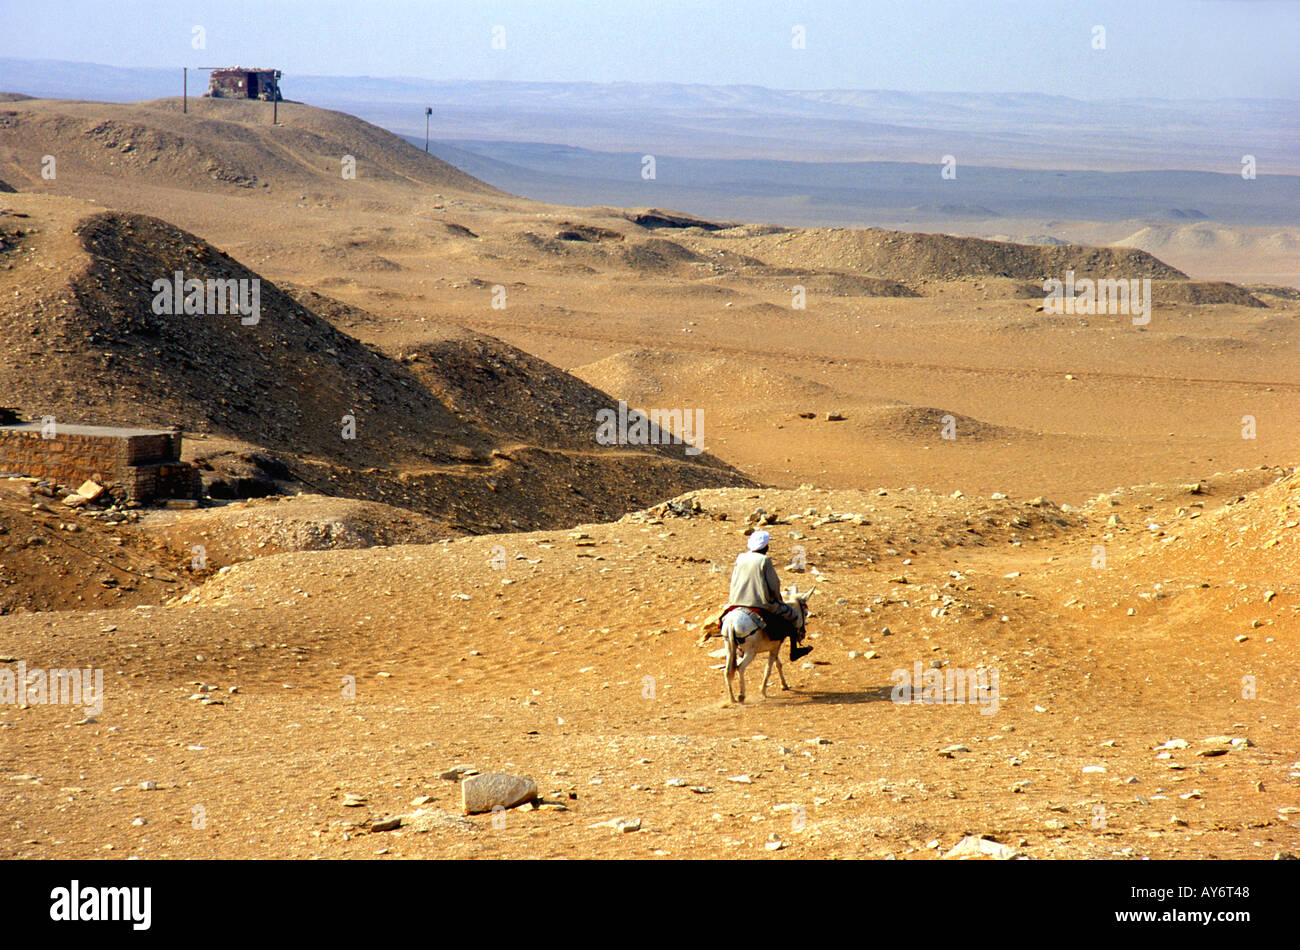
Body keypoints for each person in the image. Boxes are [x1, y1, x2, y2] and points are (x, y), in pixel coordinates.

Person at [726, 529, 812, 662]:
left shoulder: (741, 557)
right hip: (760, 603)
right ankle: (794, 650)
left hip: (736, 601)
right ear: (766, 546)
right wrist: (779, 601)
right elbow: (774, 584)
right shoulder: (764, 560)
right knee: (793, 615)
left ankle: (740, 648)